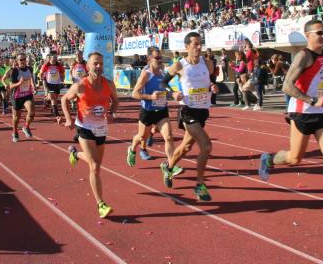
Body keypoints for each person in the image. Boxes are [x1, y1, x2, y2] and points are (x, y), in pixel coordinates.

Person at [258, 19, 323, 221]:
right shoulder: (303, 56)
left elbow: (319, 83)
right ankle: (268, 159)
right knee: (294, 159)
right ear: (308, 35)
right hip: (302, 114)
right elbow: (287, 86)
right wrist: (313, 100)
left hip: (322, 115)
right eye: (319, 33)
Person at [158, 32, 218, 200]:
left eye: (200, 44)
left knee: (185, 147)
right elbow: (163, 83)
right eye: (195, 44)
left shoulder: (208, 64)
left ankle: (168, 167)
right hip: (188, 111)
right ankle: (199, 185)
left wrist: (213, 86)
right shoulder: (179, 65)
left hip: (202, 111)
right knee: (206, 146)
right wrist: (173, 92)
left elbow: (211, 80)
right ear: (187, 47)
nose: (199, 47)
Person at [62, 52, 118, 218]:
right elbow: (64, 99)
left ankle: (75, 154)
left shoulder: (109, 84)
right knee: (94, 166)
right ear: (88, 66)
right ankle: (101, 204)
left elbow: (115, 101)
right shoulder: (80, 86)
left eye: (101, 63)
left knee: (97, 164)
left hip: (101, 128)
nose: (99, 67)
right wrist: (68, 119)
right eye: (95, 63)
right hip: (84, 127)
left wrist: (112, 113)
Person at [127, 46, 181, 176]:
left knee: (168, 137)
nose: (160, 60)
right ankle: (132, 149)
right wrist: (150, 97)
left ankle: (171, 165)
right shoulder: (146, 74)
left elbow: (165, 88)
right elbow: (134, 93)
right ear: (149, 59)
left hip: (162, 110)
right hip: (148, 111)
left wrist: (173, 94)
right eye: (157, 58)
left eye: (161, 58)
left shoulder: (163, 72)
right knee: (142, 137)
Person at [5, 53, 35, 142]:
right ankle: (14, 132)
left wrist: (34, 86)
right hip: (17, 96)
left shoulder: (30, 68)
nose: (23, 61)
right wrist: (19, 83)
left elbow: (31, 79)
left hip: (27, 94)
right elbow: (10, 86)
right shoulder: (14, 71)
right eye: (21, 60)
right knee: (16, 117)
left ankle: (26, 127)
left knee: (32, 111)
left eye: (24, 59)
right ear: (17, 61)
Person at [40, 53, 65, 121]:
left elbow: (62, 74)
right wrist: (42, 79)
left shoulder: (59, 65)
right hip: (49, 84)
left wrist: (62, 82)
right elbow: (41, 73)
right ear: (50, 57)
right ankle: (57, 115)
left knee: (55, 98)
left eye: (56, 57)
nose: (55, 58)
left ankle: (46, 100)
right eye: (54, 57)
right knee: (53, 98)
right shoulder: (46, 65)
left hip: (57, 84)